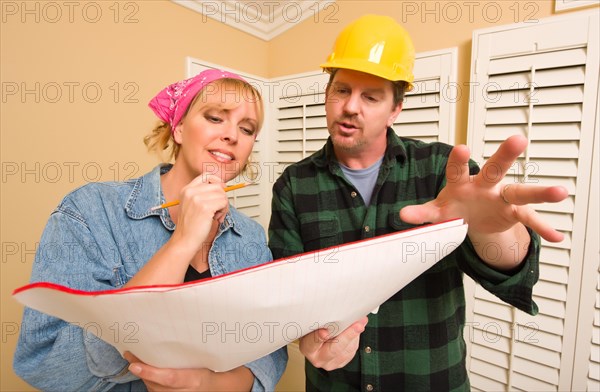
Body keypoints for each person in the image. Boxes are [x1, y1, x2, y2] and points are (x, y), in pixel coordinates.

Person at [268, 14, 568, 391]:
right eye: (341, 90)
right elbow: (283, 293)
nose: (350, 107)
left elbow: (510, 271)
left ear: (396, 109)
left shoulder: (445, 171)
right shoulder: (294, 184)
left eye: (371, 96)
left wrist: (495, 231)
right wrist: (306, 340)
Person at [14, 69, 288, 391]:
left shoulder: (252, 236)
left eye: (247, 128)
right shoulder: (89, 211)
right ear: (179, 128)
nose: (233, 135)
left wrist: (209, 384)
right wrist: (182, 241)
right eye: (215, 118)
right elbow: (47, 364)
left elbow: (269, 351)